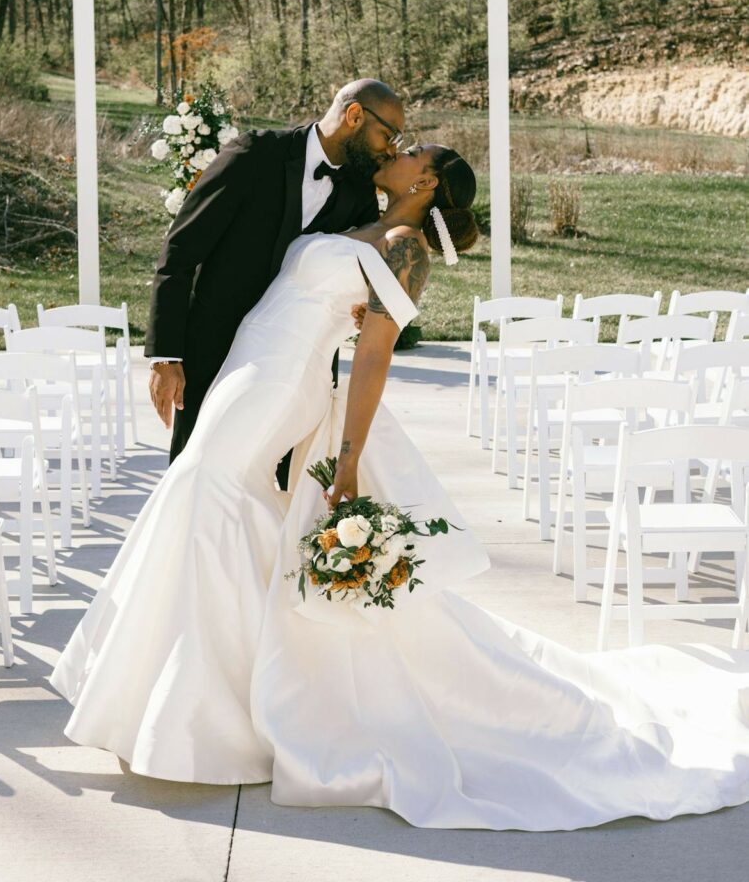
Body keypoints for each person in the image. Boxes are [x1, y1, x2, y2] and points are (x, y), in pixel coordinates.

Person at [52, 145, 749, 832]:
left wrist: (347, 457)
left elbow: (373, 360)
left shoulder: (403, 248)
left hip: (278, 383)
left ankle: (209, 714)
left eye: (411, 149)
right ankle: (225, 693)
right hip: (248, 363)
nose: (398, 148)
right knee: (209, 499)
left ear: (426, 179)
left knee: (205, 488)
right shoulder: (360, 219)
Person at [144, 78, 404, 463]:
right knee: (199, 472)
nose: (391, 151)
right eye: (388, 135)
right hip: (215, 352)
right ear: (354, 116)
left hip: (293, 370)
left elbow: (357, 279)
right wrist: (166, 356)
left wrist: (362, 312)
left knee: (275, 490)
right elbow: (181, 249)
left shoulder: (360, 196)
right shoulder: (254, 154)